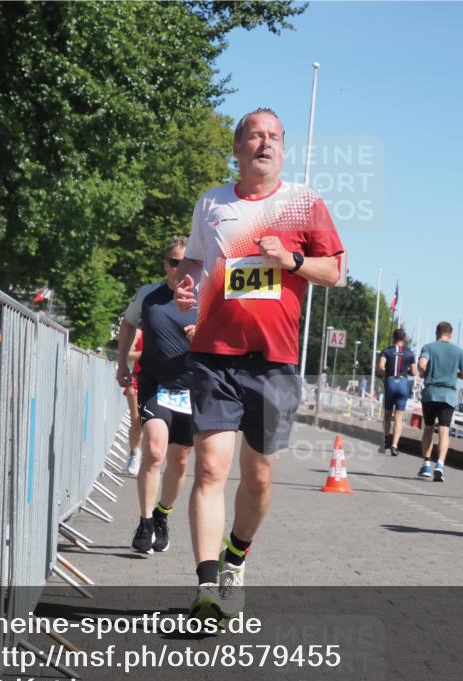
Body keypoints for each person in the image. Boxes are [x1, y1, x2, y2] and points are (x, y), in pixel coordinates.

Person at [175, 107, 344, 619]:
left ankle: (236, 556)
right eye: (254, 136)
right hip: (213, 353)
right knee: (209, 468)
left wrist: (288, 261)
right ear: (237, 147)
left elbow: (335, 271)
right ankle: (206, 589)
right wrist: (185, 287)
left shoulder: (303, 204)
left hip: (273, 360)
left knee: (260, 476)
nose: (264, 144)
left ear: (283, 149)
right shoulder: (212, 202)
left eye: (273, 137)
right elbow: (195, 265)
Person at [117, 236, 197, 554]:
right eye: (173, 262)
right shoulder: (149, 295)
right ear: (165, 264)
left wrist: (202, 336)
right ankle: (145, 520)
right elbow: (127, 325)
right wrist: (122, 362)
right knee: (154, 449)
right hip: (154, 384)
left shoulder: (207, 299)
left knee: (179, 460)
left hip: (192, 389)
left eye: (186, 262)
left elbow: (227, 342)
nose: (179, 268)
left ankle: (163, 514)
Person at [416, 322, 463, 482]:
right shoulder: (459, 352)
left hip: (431, 393)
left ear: (436, 333)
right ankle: (440, 464)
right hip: (448, 395)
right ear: (450, 335)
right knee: (444, 430)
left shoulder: (429, 347)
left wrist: (426, 373)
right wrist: (455, 375)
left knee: (428, 428)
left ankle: (426, 465)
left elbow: (421, 365)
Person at [377, 329, 416, 456]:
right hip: (403, 384)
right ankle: (395, 445)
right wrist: (406, 372)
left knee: (388, 414)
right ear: (404, 339)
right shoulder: (409, 353)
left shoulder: (387, 351)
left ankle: (385, 439)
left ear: (393, 338)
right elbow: (414, 372)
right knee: (399, 416)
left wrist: (387, 372)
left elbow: (381, 366)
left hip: (390, 383)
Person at [115, 321, 144, 476]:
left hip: (162, 380)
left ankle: (150, 456)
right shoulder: (139, 332)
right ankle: (134, 452)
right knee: (137, 420)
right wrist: (146, 353)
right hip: (138, 380)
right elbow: (128, 353)